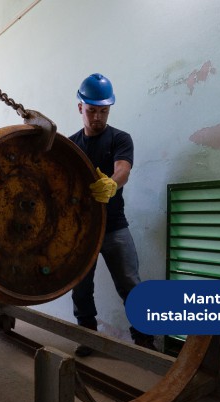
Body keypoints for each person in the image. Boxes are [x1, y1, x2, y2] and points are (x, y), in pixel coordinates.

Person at [69, 73, 156, 356]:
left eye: (103, 111)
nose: (97, 117)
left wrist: (112, 183)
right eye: (92, 110)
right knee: (81, 289)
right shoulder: (70, 147)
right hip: (82, 232)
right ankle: (88, 336)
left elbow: (123, 169)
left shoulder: (120, 138)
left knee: (131, 284)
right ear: (80, 107)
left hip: (115, 227)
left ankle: (144, 341)